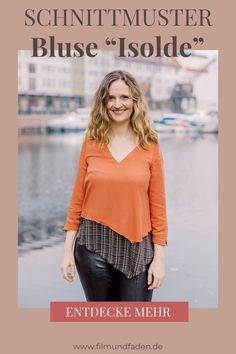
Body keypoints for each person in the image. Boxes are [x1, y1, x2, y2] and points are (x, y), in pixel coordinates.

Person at [60, 70, 168, 301]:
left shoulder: (150, 146)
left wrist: (159, 258)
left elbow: (157, 207)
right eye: (111, 98)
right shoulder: (91, 143)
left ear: (135, 101)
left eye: (124, 97)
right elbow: (77, 199)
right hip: (92, 246)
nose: (117, 104)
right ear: (103, 103)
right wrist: (67, 252)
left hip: (139, 248)